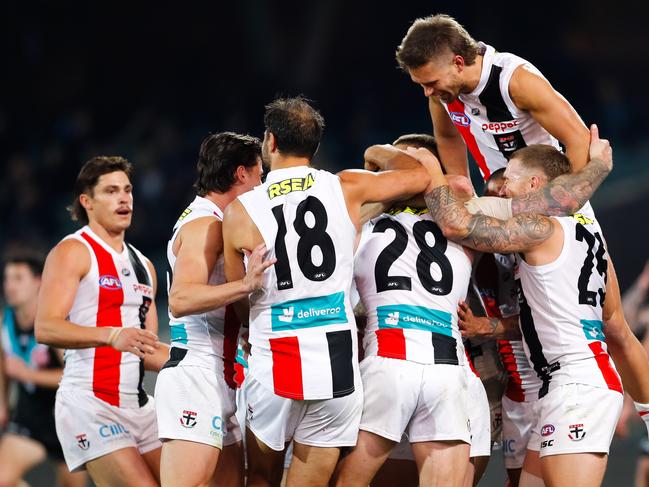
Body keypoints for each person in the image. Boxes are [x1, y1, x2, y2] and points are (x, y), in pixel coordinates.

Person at [222, 96, 431, 487]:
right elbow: (418, 175)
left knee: (262, 478)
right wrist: (377, 151)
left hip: (275, 355)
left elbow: (238, 297)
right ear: (315, 147)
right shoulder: (346, 186)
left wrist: (248, 332)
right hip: (336, 356)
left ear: (269, 142)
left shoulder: (241, 210)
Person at [413, 132, 634, 486]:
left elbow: (457, 225)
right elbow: (610, 316)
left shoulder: (541, 228)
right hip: (568, 379)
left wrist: (432, 175)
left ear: (534, 183)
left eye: (509, 179)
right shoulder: (588, 234)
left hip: (577, 381)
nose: (503, 190)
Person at [337, 133, 471, 487]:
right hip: (447, 365)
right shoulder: (462, 216)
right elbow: (453, 180)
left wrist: (378, 156)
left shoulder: (363, 219)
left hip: (388, 359)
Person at [35, 156, 166, 486]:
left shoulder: (144, 266)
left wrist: (206, 362)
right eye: (110, 191)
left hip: (139, 406)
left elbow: (146, 349)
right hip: (90, 404)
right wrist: (110, 336)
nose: (124, 199)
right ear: (87, 201)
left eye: (127, 190)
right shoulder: (73, 252)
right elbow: (46, 327)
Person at [156, 132, 275, 487]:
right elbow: (180, 299)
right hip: (195, 372)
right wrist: (245, 285)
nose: (262, 183)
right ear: (241, 174)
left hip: (222, 373)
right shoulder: (204, 224)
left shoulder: (220, 221)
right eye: (259, 175)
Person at [396, 14, 590, 181]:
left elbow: (579, 139)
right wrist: (465, 195)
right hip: (500, 201)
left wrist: (561, 200)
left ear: (458, 63)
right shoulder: (443, 93)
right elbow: (448, 138)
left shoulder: (516, 81)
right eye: (421, 84)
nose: (427, 92)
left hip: (549, 199)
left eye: (431, 83)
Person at [0, 252, 87, 487]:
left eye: (18, 278)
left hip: (67, 417)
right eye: (7, 279)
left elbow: (75, 374)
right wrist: (3, 403)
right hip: (30, 417)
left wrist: (28, 375)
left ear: (38, 281)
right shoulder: (5, 321)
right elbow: (4, 364)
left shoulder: (53, 324)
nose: (10, 286)